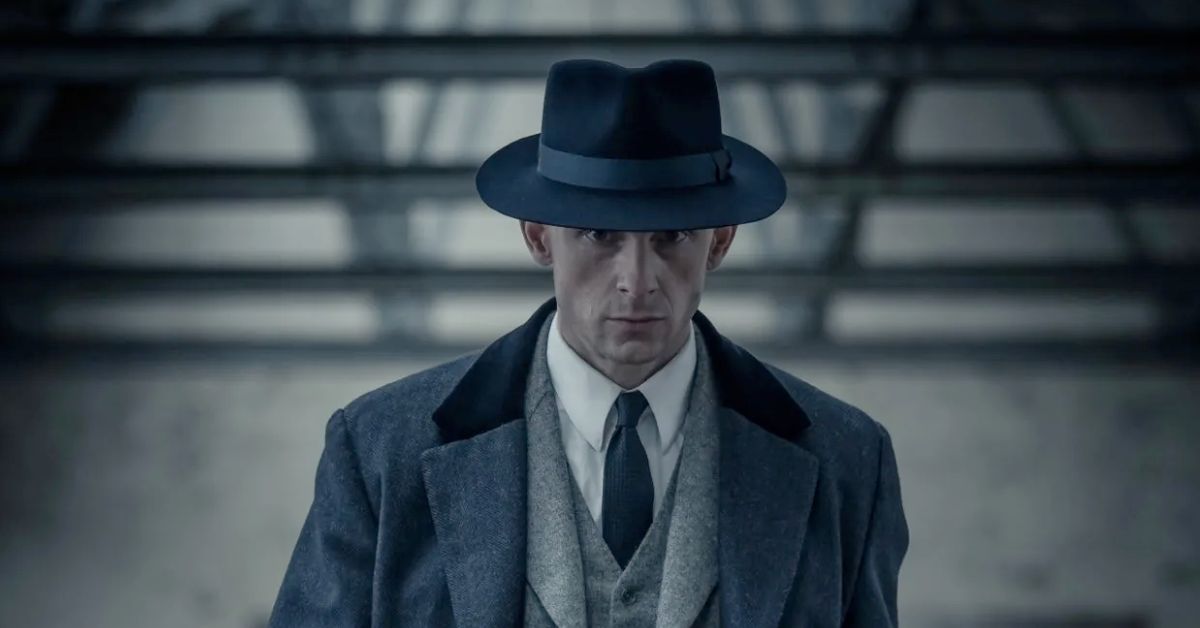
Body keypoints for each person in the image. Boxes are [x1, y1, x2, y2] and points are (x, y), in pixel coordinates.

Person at [269, 58, 909, 627]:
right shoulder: (380, 452)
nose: (637, 280)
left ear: (719, 241)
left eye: (672, 236)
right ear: (537, 235)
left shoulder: (849, 462)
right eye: (600, 234)